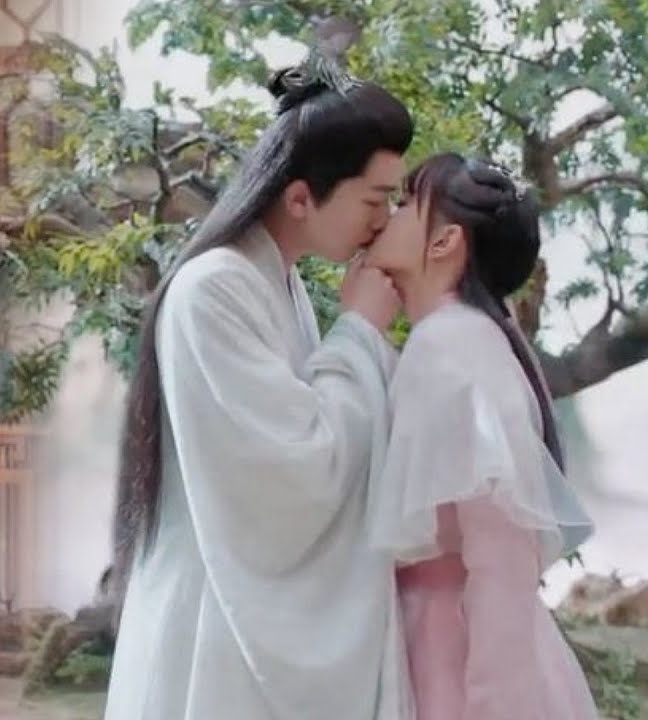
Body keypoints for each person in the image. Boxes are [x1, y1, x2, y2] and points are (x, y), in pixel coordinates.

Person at [104, 64, 415, 720]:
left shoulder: (278, 281)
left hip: (229, 609)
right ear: (300, 198)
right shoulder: (216, 288)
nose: (385, 220)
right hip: (212, 616)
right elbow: (293, 473)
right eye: (374, 200)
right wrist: (358, 331)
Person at [364, 152, 597, 718]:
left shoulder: (451, 344)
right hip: (443, 638)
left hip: (456, 654)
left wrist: (494, 704)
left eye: (405, 204)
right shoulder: (458, 337)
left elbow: (501, 551)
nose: (386, 215)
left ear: (445, 242)